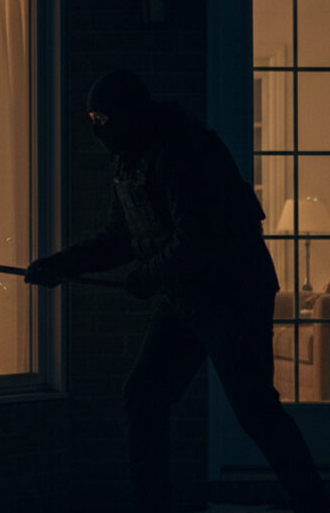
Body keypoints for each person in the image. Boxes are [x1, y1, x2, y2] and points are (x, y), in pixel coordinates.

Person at [25, 70, 330, 513]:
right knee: (144, 396)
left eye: (103, 119)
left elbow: (198, 239)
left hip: (232, 296)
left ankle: (312, 500)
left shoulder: (186, 151)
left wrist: (146, 277)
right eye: (92, 119)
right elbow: (120, 238)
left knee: (254, 407)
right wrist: (61, 264)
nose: (97, 130)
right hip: (186, 297)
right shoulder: (128, 159)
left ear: (130, 115)